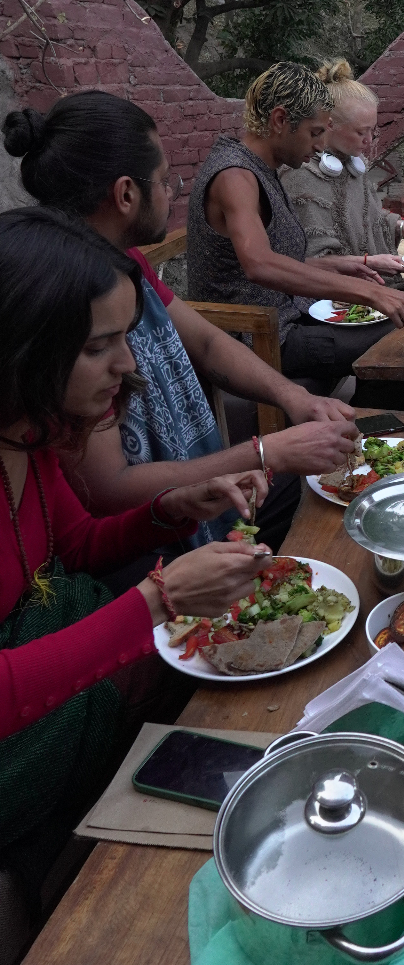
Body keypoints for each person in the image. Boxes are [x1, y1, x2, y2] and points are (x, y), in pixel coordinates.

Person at [0, 208, 270, 902]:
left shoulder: (32, 435)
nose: (126, 365)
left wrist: (172, 510)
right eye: (101, 346)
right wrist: (160, 599)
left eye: (127, 338)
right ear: (22, 348)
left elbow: (78, 545)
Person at [4, 93, 360, 554]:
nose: (172, 193)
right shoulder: (63, 297)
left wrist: (293, 397)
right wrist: (266, 452)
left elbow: (207, 342)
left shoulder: (128, 262)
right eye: (164, 180)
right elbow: (111, 490)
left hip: (201, 497)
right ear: (126, 194)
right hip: (146, 548)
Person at [187, 63, 404, 396]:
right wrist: (372, 292)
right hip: (257, 336)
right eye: (315, 132)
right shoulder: (235, 176)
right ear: (279, 121)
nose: (319, 146)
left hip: (288, 317)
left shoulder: (262, 169)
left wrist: (350, 264)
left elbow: (283, 259)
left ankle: (399, 408)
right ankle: (396, 411)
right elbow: (259, 264)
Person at [281, 59, 404, 273]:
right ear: (329, 125)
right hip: (330, 298)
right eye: (361, 132)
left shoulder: (353, 168)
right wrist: (366, 264)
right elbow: (309, 261)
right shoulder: (301, 173)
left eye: (372, 131)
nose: (369, 141)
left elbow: (370, 219)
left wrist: (403, 226)